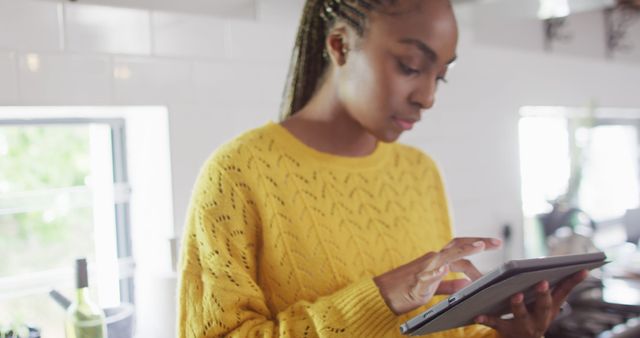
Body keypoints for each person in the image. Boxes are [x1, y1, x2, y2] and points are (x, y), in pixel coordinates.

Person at [177, 0, 588, 337]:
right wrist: (380, 297)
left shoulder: (420, 172)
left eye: (440, 76)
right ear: (339, 45)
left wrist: (500, 333)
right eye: (411, 66)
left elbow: (437, 324)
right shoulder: (238, 173)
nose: (427, 97)